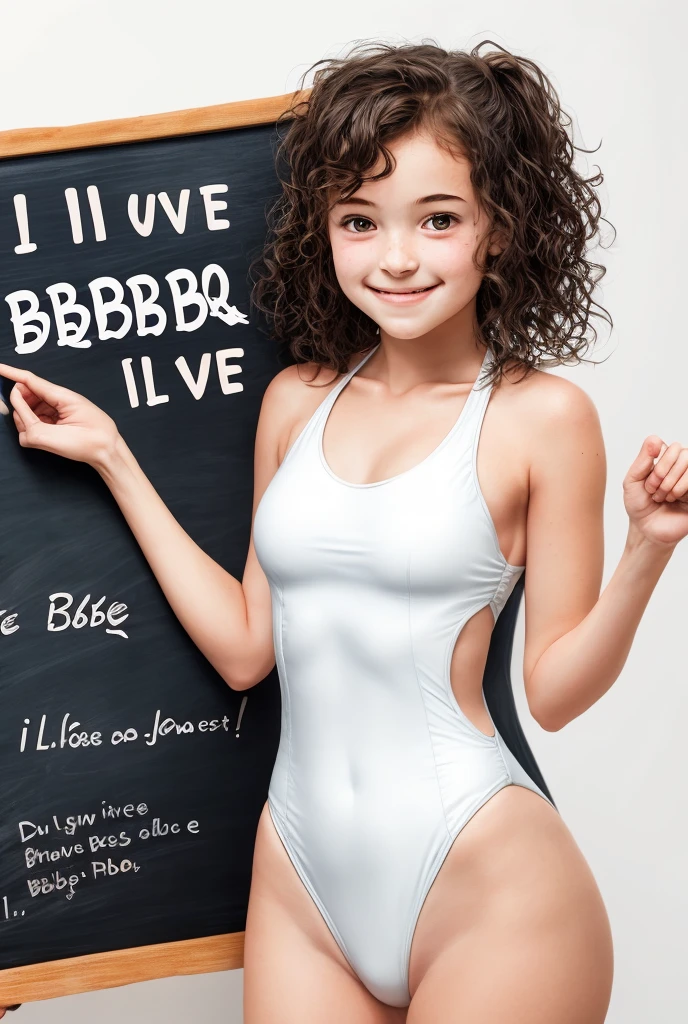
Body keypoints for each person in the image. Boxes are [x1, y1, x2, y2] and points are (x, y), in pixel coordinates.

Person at [1, 38, 686, 1024]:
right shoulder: (295, 402)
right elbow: (246, 649)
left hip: (486, 878)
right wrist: (113, 454)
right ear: (322, 229)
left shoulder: (542, 416)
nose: (396, 257)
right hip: (299, 876)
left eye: (438, 219)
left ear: (499, 230)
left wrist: (649, 547)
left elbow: (555, 690)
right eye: (359, 221)